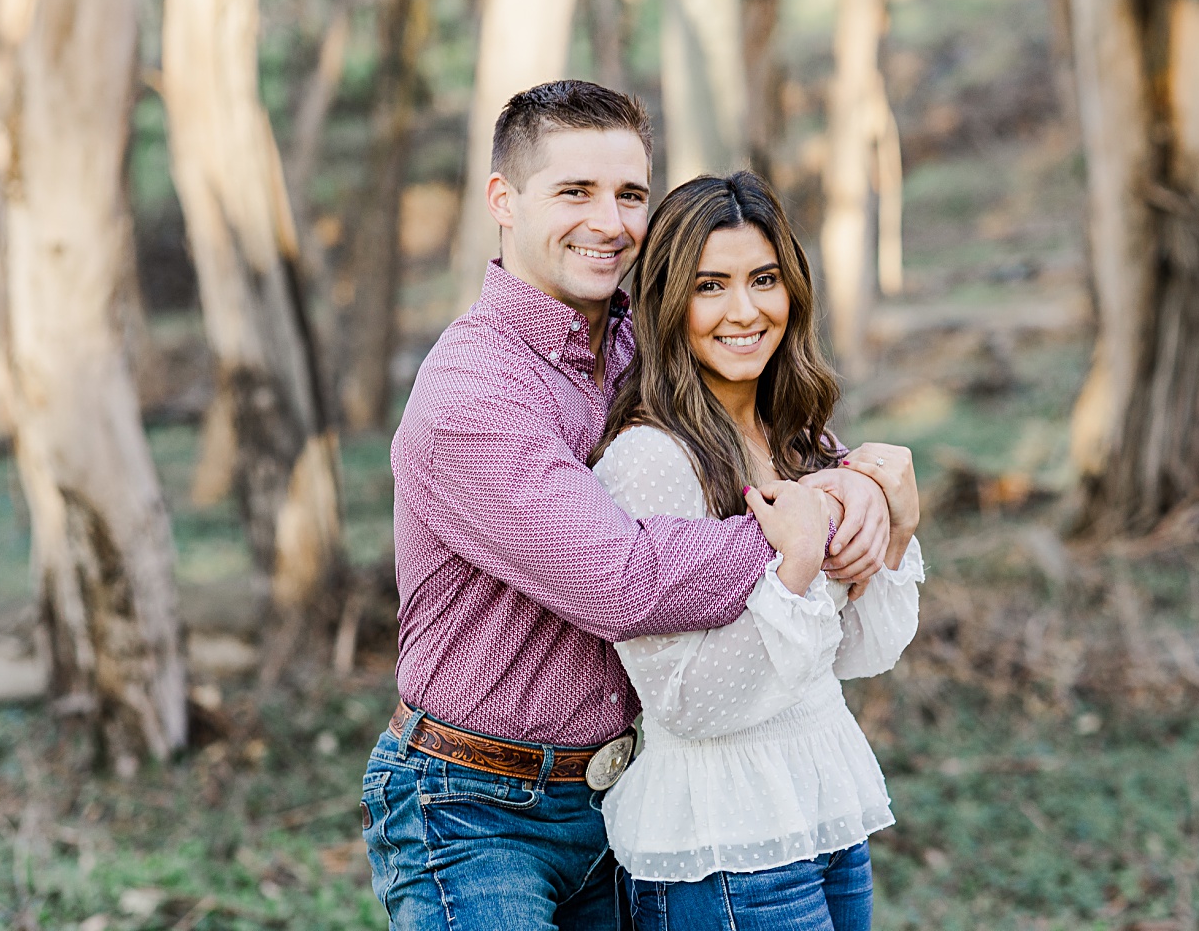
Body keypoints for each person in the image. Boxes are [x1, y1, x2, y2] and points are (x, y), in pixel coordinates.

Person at [362, 80, 896, 930]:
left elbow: (763, 442)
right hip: (480, 810)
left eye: (630, 194)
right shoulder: (472, 392)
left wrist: (861, 478)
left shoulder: (641, 339)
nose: (610, 222)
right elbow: (622, 581)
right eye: (574, 191)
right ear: (502, 199)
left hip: (631, 793)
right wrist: (807, 524)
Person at [590, 171, 924, 930]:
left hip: (822, 813)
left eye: (763, 279)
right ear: (669, 305)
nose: (744, 311)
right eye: (711, 286)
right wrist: (798, 566)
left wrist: (897, 525)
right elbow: (685, 703)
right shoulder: (649, 460)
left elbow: (861, 653)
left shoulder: (799, 440)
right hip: (725, 842)